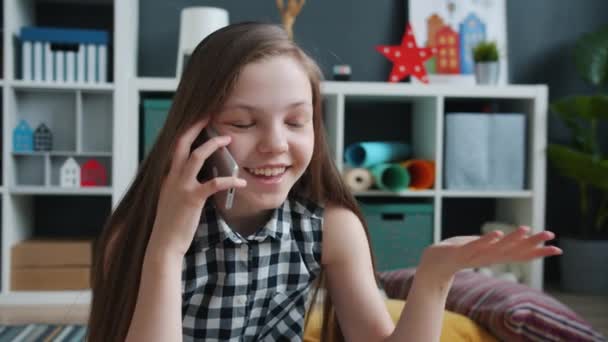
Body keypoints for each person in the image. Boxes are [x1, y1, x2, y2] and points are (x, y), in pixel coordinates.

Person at [87, 22, 562, 342]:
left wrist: (435, 276)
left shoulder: (329, 228)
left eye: (296, 121)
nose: (276, 144)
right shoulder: (139, 233)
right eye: (244, 122)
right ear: (197, 126)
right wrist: (167, 249)